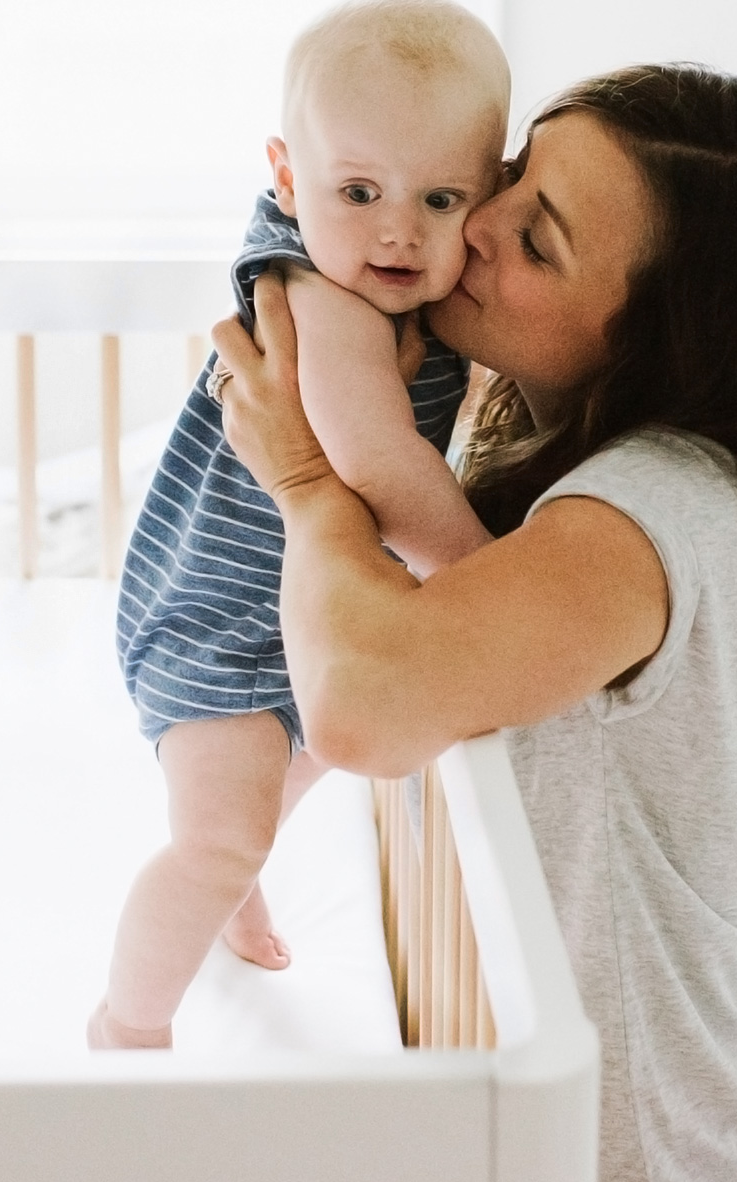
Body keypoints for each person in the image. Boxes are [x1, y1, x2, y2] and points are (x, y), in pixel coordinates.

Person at [211, 63, 737, 1182]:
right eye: (516, 175)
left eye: (538, 242)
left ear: (664, 345)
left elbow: (366, 701)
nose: (471, 223)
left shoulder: (650, 513)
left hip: (646, 1170)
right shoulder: (584, 465)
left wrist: (302, 479)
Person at [94, 0, 509, 1050]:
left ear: (490, 193)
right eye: (358, 191)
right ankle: (127, 1024)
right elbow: (377, 463)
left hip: (306, 622)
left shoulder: (401, 278)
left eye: (441, 196)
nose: (398, 230)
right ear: (287, 177)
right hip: (221, 630)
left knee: (316, 755)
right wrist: (487, 580)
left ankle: (235, 890)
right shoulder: (315, 296)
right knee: (221, 836)